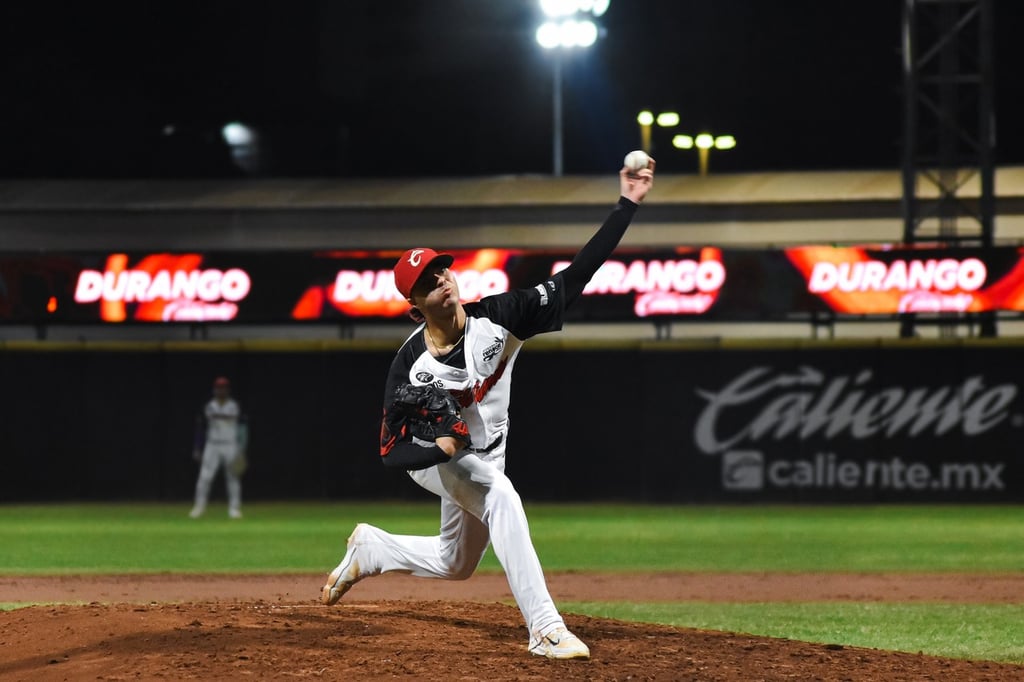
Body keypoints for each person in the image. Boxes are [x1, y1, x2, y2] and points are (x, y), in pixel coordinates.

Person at [320, 157, 656, 659]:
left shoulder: (500, 318)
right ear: (415, 306)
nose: (441, 279)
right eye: (427, 279)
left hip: (488, 450)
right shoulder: (409, 368)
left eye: (441, 268)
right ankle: (544, 629)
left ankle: (375, 549)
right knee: (503, 497)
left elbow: (577, 276)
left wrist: (627, 204)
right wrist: (439, 447)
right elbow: (390, 451)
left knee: (456, 563)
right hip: (438, 461)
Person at [189, 376, 248, 519]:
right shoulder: (209, 406)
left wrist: (242, 448)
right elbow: (201, 428)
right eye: (218, 387)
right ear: (214, 389)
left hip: (230, 444)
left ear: (228, 390)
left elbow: (243, 428)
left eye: (223, 387)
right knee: (205, 477)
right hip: (212, 444)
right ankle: (199, 507)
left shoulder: (235, 406)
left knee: (233, 477)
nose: (221, 390)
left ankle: (234, 509)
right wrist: (198, 447)